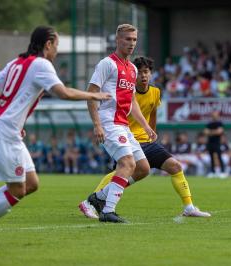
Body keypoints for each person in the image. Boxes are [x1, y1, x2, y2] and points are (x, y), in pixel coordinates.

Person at [0, 25, 111, 244]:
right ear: (48, 44)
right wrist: (94, 95)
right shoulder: (41, 64)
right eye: (56, 45)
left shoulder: (16, 63)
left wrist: (0, 114)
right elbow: (63, 93)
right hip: (5, 133)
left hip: (6, 129)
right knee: (18, 189)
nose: (56, 51)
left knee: (31, 183)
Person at [79, 56, 210, 219]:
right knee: (124, 169)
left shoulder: (155, 92)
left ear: (151, 74)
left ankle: (189, 207)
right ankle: (93, 201)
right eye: (139, 72)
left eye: (146, 72)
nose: (143, 75)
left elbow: (152, 114)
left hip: (146, 141)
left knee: (175, 166)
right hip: (125, 137)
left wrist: (151, 132)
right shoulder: (125, 90)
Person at [84, 24, 157, 223]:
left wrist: (146, 125)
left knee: (142, 168)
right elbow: (91, 95)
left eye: (134, 39)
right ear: (118, 40)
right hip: (109, 122)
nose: (131, 43)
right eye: (127, 39)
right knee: (127, 163)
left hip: (123, 124)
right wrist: (97, 124)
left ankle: (97, 198)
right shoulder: (106, 64)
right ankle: (108, 211)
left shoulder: (132, 68)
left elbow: (132, 102)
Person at [204, 111, 227, 178]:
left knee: (219, 157)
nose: (214, 116)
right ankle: (212, 172)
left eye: (215, 114)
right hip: (210, 143)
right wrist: (214, 132)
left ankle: (223, 171)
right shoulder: (209, 123)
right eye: (213, 114)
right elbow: (205, 132)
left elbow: (219, 131)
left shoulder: (219, 123)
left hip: (217, 143)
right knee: (211, 157)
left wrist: (210, 132)